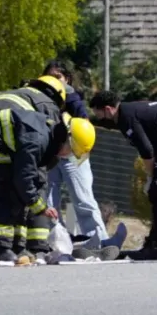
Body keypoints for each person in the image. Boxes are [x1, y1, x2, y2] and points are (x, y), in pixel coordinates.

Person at [0, 107, 95, 266]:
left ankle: (15, 247)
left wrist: (34, 202)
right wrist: (39, 206)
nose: (69, 155)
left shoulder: (48, 138)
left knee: (17, 194)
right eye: (71, 151)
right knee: (5, 190)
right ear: (65, 138)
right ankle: (0, 250)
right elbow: (24, 178)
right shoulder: (37, 140)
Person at [0, 74, 69, 263]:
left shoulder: (16, 94)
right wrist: (38, 203)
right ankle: (27, 247)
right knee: (17, 189)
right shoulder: (46, 105)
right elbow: (42, 145)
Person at [90, 90, 157, 261]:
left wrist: (151, 177)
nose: (100, 119)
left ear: (108, 109)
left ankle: (156, 247)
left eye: (99, 114)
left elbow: (146, 150)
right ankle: (154, 243)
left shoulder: (126, 118)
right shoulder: (129, 111)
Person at [42, 60, 114, 248]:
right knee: (48, 203)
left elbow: (83, 124)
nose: (54, 81)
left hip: (73, 155)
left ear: (68, 79)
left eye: (58, 77)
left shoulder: (72, 97)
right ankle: (56, 243)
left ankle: (100, 242)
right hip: (49, 157)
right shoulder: (41, 98)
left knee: (83, 200)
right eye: (50, 76)